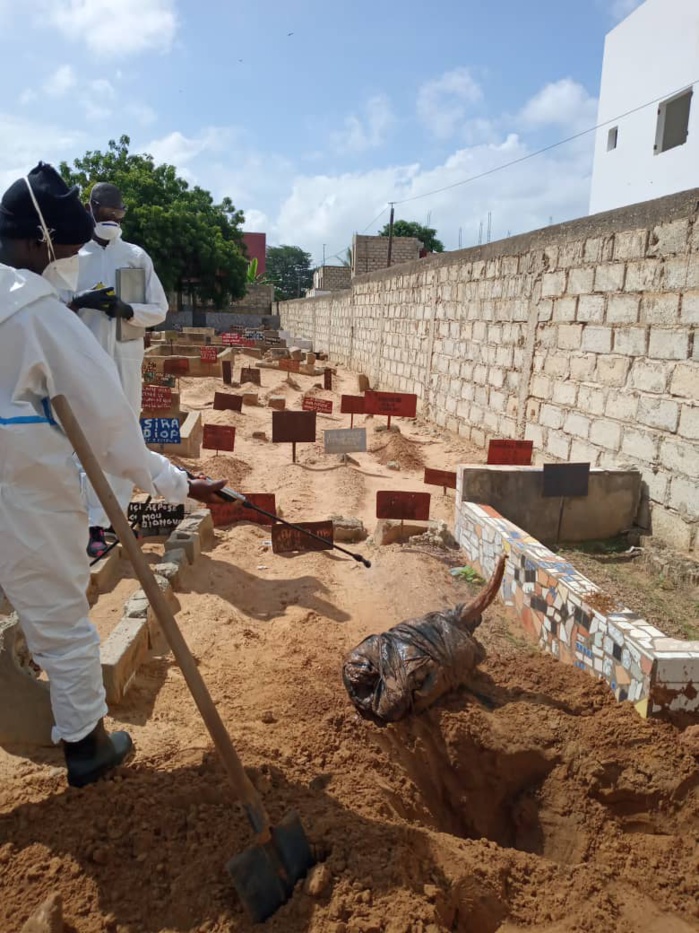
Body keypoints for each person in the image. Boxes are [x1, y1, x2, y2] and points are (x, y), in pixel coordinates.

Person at [0, 163, 224, 788]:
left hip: (108, 374)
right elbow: (114, 435)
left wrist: (123, 309)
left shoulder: (129, 260)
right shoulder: (36, 313)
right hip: (22, 492)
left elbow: (155, 309)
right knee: (63, 622)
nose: (69, 262)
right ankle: (87, 746)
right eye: (65, 251)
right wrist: (179, 483)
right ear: (37, 243)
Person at [68, 181, 169, 558]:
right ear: (90, 209)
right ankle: (90, 521)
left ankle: (113, 516)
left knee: (123, 433)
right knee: (87, 435)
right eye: (105, 211)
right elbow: (52, 304)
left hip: (125, 360)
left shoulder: (136, 257)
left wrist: (128, 310)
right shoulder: (74, 256)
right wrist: (80, 301)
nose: (111, 217)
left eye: (117, 212)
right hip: (84, 359)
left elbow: (159, 309)